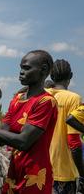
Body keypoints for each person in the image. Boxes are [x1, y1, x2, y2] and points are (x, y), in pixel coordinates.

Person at [0, 50, 58, 194]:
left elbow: (23, 142)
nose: (21, 72)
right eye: (21, 67)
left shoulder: (46, 102)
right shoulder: (17, 99)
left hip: (34, 175)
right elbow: (1, 138)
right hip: (15, 171)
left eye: (27, 68)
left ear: (44, 70)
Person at [46, 59, 84, 194]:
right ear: (71, 76)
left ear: (51, 76)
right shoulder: (73, 98)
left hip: (40, 169)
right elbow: (73, 141)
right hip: (64, 170)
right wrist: (82, 173)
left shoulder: (42, 95)